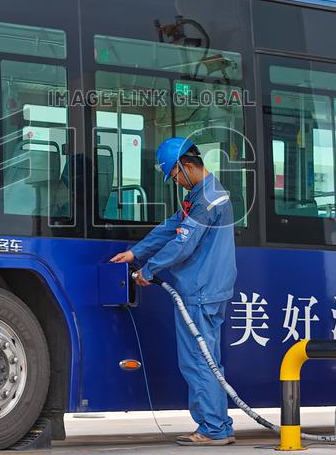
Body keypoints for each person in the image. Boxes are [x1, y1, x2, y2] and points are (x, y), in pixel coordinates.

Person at [110, 137, 237, 447]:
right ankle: (218, 424)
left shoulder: (208, 200)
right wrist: (135, 253)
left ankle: (213, 428)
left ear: (188, 166)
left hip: (201, 291)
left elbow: (183, 243)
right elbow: (172, 228)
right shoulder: (200, 195)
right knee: (207, 359)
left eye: (175, 176)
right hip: (207, 289)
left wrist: (148, 270)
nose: (176, 182)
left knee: (198, 360)